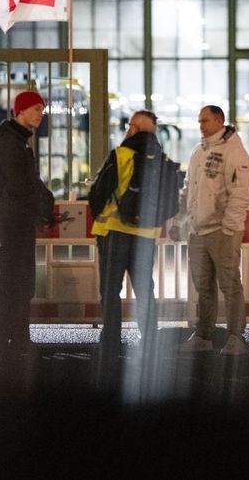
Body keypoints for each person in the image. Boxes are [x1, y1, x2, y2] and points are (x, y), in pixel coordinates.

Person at [174, 105, 249, 356]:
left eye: (205, 120)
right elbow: (188, 189)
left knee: (229, 285)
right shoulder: (199, 150)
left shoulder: (233, 150)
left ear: (219, 120)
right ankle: (204, 335)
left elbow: (240, 192)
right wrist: (183, 221)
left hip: (220, 230)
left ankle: (235, 337)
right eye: (199, 121)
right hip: (199, 231)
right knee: (204, 287)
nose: (201, 125)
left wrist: (229, 226)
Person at [88, 110, 164, 360]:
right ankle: (150, 340)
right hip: (145, 235)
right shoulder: (160, 159)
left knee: (111, 290)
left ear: (132, 128)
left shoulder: (121, 155)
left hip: (115, 233)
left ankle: (110, 343)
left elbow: (98, 195)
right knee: (145, 289)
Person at [0, 90, 55, 365]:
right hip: (15, 219)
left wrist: (43, 203)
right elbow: (19, 184)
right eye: (36, 108)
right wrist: (41, 206)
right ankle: (3, 341)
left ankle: (16, 337)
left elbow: (27, 182)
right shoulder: (10, 143)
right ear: (21, 110)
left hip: (19, 218)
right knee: (13, 281)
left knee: (21, 281)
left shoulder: (18, 141)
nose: (41, 114)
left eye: (42, 109)